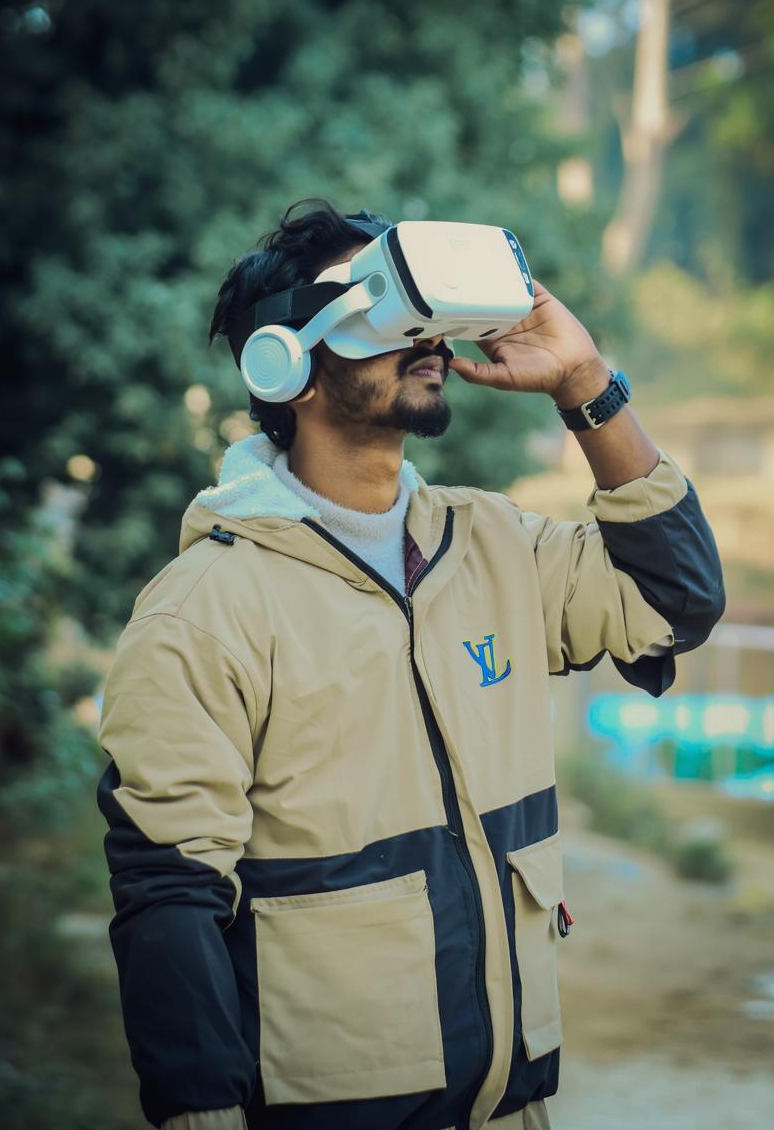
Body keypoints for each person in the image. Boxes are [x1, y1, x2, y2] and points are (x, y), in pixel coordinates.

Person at [97, 198, 725, 1130]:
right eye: (382, 310)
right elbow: (169, 890)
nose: (426, 338)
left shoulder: (496, 545)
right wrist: (199, 1109)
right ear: (285, 363)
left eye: (424, 313)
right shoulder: (205, 609)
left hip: (509, 1110)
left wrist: (586, 384)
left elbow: (677, 601)